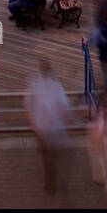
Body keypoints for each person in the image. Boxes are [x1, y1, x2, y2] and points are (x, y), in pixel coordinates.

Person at [25, 60, 70, 197]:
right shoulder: (56, 85)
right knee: (52, 156)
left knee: (47, 158)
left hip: (42, 129)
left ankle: (50, 184)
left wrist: (33, 124)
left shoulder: (34, 84)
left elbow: (27, 105)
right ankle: (55, 181)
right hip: (53, 128)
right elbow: (64, 107)